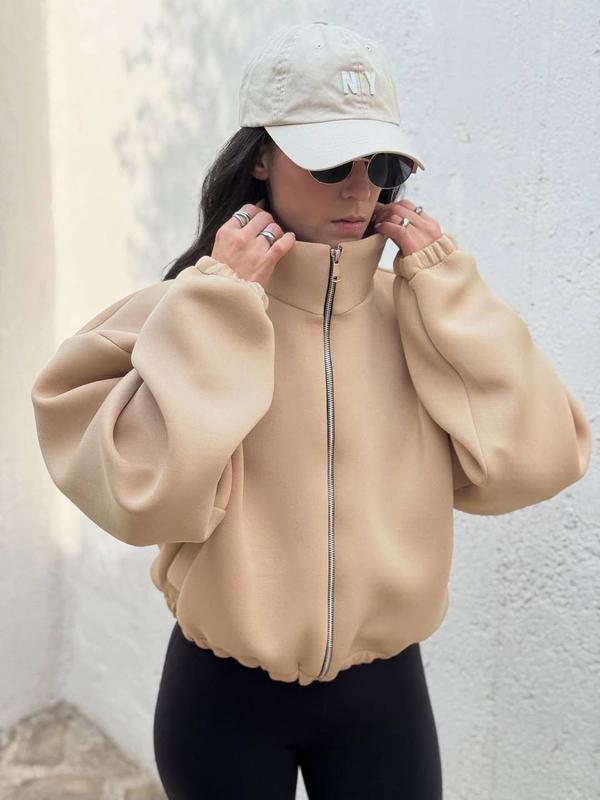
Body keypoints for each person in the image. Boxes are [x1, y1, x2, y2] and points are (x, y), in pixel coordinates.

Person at [30, 20, 591, 800]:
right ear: (260, 157)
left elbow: (543, 461)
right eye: (332, 163)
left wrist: (448, 287)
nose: (361, 191)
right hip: (221, 698)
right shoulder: (190, 312)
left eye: (382, 167)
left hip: (384, 701)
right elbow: (137, 494)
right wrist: (221, 304)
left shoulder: (419, 315)